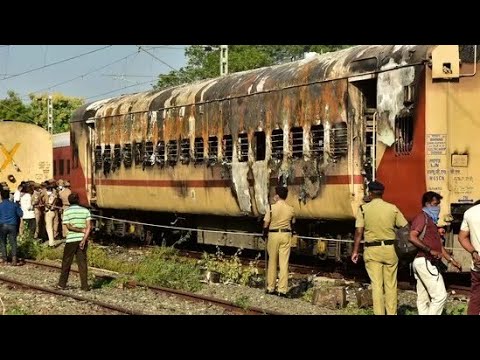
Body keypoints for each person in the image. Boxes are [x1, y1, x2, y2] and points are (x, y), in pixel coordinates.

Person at [351, 181, 408, 315]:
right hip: (390, 250)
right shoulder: (392, 208)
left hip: (372, 251)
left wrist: (355, 251)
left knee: (376, 286)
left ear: (370, 193)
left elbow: (359, 232)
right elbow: (404, 226)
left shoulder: (363, 209)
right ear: (382, 193)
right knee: (391, 285)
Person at [409, 191, 461, 315]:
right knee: (440, 296)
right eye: (435, 204)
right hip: (424, 261)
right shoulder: (422, 218)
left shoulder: (431, 221)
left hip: (422, 262)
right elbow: (412, 236)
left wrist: (451, 260)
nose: (437, 208)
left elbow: (439, 248)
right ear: (427, 204)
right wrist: (429, 250)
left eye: (438, 204)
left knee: (423, 299)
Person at [263, 186, 295, 297]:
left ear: (277, 195)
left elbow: (266, 223)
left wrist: (264, 233)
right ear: (285, 196)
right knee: (284, 263)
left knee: (272, 261)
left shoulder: (271, 208)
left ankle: (271, 287)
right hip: (286, 235)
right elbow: (293, 223)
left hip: (273, 234)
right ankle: (282, 290)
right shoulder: (291, 208)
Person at [57, 192, 92, 291]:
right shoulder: (85, 211)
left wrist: (79, 230)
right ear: (78, 200)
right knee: (82, 263)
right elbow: (89, 227)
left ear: (69, 201)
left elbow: (68, 227)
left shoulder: (67, 212)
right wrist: (84, 239)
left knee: (66, 262)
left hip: (71, 240)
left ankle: (62, 284)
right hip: (82, 240)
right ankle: (85, 286)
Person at [457, 200, 480, 315]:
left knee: (476, 296)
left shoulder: (470, 212)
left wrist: (474, 252)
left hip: (478, 264)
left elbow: (462, 237)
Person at [0, 189, 23, 265]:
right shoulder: (14, 205)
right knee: (13, 242)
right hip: (13, 225)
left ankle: (5, 259)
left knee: (3, 242)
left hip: (2, 225)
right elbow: (20, 214)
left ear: (1, 196)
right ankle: (14, 259)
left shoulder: (0, 205)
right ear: (9, 196)